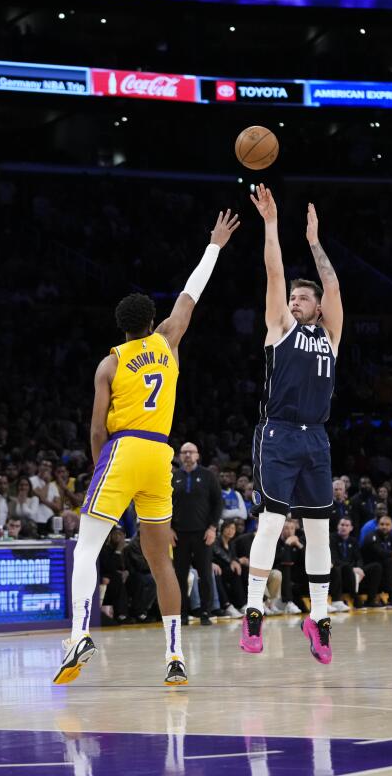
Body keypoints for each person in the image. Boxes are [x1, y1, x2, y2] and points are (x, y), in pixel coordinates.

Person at [56, 209, 240, 689]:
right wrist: (214, 244)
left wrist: (103, 475)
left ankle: (78, 636)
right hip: (161, 456)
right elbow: (191, 294)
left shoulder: (110, 363)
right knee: (162, 562)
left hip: (121, 452)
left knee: (86, 547)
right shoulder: (169, 340)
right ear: (152, 321)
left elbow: (97, 430)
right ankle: (175, 655)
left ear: (121, 328)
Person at [240, 186, 343, 666]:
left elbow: (335, 288)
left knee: (321, 532)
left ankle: (319, 620)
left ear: (318, 307)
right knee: (273, 521)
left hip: (317, 439)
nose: (297, 300)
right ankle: (254, 610)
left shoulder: (329, 334)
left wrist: (316, 241)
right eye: (295, 297)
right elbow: (274, 272)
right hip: (278, 433)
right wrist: (271, 224)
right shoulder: (280, 327)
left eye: (305, 297)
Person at [171, 442, 224, 625]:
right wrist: (169, 528)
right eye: (184, 452)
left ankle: (206, 613)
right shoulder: (173, 477)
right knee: (180, 575)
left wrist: (212, 528)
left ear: (197, 455)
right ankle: (183, 614)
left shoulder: (208, 475)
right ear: (179, 456)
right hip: (179, 534)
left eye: (190, 452)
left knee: (205, 574)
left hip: (203, 533)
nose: (187, 455)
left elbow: (218, 503)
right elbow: (165, 505)